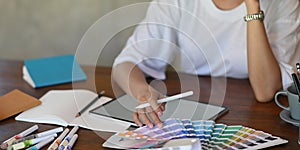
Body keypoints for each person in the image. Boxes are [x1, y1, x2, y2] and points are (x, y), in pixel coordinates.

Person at [112, 0, 300, 128]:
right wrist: (143, 93)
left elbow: (266, 90)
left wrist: (252, 7)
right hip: (198, 113)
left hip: (261, 118)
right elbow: (125, 63)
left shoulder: (284, 3)